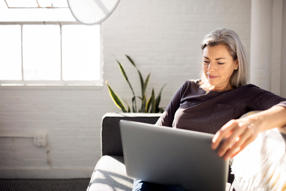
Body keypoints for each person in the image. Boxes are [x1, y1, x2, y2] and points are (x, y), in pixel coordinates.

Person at [132, 28, 286, 191]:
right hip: (165, 170)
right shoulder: (188, 87)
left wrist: (255, 122)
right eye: (206, 61)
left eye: (220, 62)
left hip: (199, 181)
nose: (210, 69)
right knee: (143, 182)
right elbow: (160, 128)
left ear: (236, 63)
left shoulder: (246, 93)